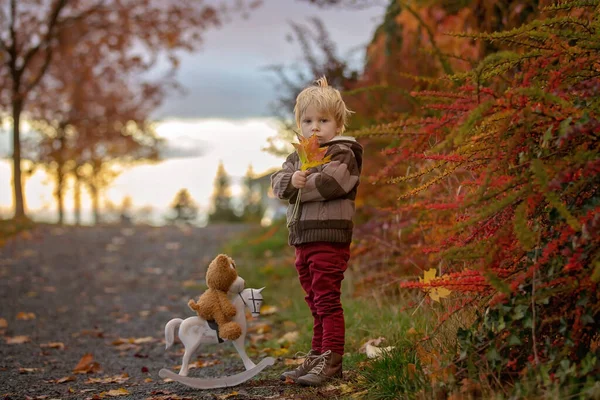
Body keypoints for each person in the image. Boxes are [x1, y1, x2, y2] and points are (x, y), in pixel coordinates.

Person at [270, 76, 363, 386]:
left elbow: (331, 183)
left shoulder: (343, 154)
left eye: (323, 120)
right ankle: (317, 356)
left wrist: (301, 183)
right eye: (307, 120)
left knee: (326, 299)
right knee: (313, 300)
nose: (314, 127)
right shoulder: (298, 157)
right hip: (303, 239)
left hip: (329, 238)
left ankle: (331, 361)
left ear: (338, 125)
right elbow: (277, 182)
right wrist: (289, 181)